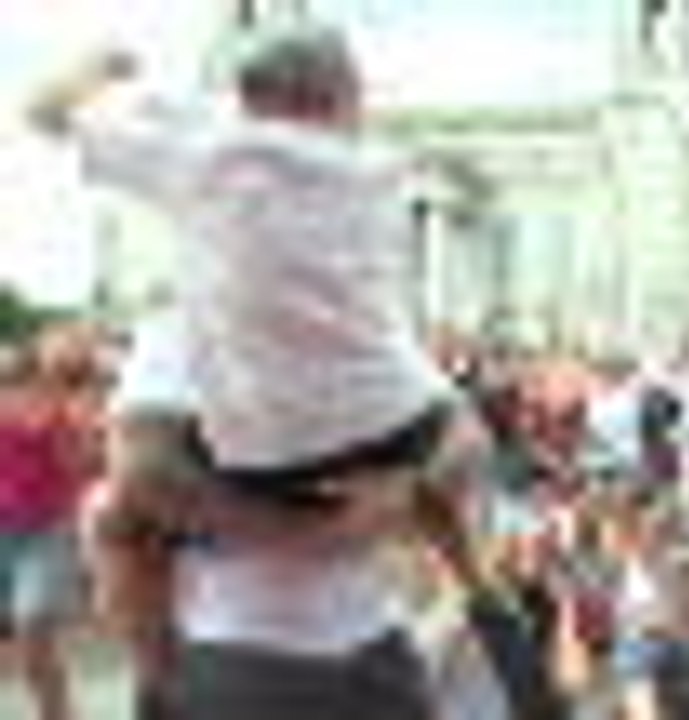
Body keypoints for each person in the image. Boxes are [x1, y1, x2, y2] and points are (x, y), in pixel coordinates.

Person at [32, 29, 485, 720]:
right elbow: (469, 443)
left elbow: (143, 477)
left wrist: (280, 532)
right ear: (348, 104)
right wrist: (393, 504)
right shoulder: (375, 244)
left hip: (240, 658)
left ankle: (154, 675)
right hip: (367, 653)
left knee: (107, 516)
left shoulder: (206, 185)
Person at [0, 343, 90, 720]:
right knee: (28, 645)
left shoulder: (56, 416)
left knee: (31, 626)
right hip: (5, 533)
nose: (13, 388)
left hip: (46, 533)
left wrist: (56, 430)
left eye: (19, 379)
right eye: (7, 381)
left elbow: (78, 467)